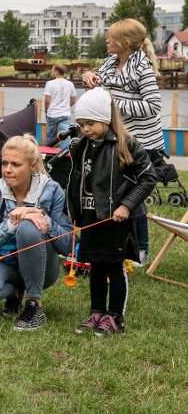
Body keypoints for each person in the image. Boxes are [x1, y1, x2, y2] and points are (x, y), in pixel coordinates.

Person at [67, 88, 156, 336]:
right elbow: (76, 180)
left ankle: (116, 316)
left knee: (114, 265)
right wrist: (73, 210)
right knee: (96, 265)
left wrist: (127, 205)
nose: (85, 129)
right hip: (89, 217)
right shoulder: (81, 145)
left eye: (90, 123)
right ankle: (97, 312)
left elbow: (148, 178)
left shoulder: (126, 144)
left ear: (105, 118)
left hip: (116, 218)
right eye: (81, 124)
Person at [82, 18, 163, 266]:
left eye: (111, 37)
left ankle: (142, 250)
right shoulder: (110, 63)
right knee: (117, 194)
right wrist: (88, 76)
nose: (106, 40)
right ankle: (118, 245)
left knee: (133, 197)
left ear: (126, 43)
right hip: (118, 140)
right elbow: (98, 80)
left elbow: (153, 106)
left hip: (142, 143)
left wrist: (113, 104)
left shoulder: (142, 68)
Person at [0, 134, 73, 331]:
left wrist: (41, 216)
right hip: (3, 262)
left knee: (29, 227)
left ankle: (35, 304)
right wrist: (12, 222)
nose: (7, 170)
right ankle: (16, 292)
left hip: (43, 270)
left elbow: (67, 244)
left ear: (33, 165)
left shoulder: (52, 190)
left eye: (15, 164)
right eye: (4, 163)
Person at [44, 64, 76, 149]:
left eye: (52, 70)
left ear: (56, 72)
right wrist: (65, 106)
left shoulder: (49, 84)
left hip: (52, 114)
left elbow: (47, 101)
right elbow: (73, 100)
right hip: (65, 114)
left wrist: (46, 111)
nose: (51, 72)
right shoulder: (70, 84)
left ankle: (48, 155)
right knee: (65, 136)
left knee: (50, 136)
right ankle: (65, 156)